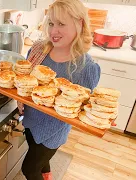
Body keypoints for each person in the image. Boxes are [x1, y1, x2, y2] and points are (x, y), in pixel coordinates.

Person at [19, 0, 101, 180]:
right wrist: (20, 100)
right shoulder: (38, 50)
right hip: (31, 119)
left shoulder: (85, 67)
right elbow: (27, 81)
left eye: (61, 24)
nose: (53, 31)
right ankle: (46, 174)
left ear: (79, 24)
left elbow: (84, 106)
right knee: (37, 156)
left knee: (29, 169)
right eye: (51, 23)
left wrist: (97, 113)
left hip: (52, 131)